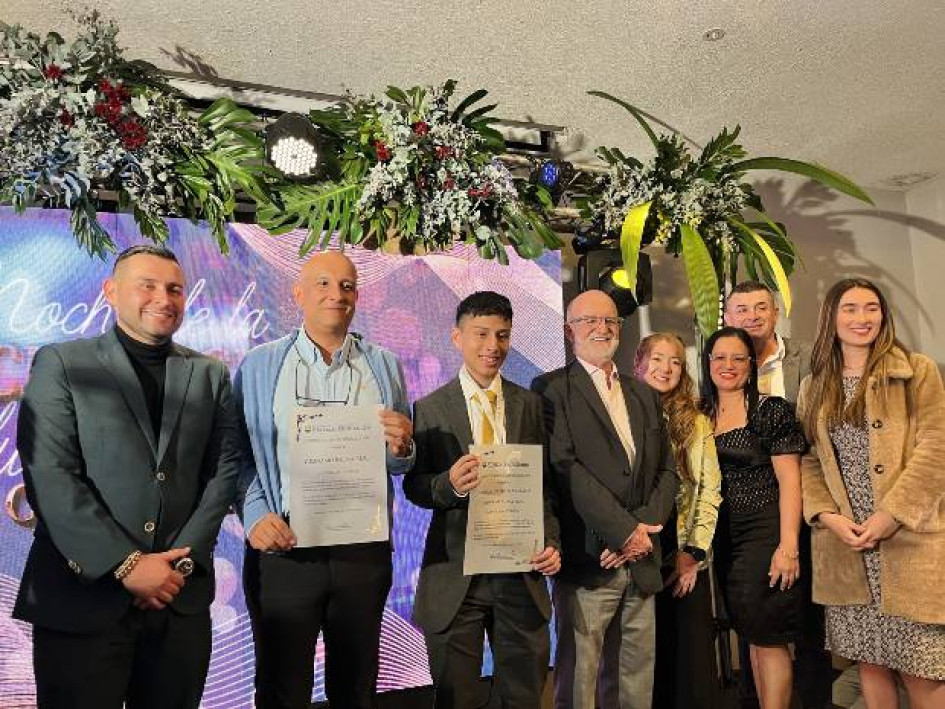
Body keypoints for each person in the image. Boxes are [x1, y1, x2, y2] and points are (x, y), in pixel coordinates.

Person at [14, 244, 241, 709]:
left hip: (179, 602)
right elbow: (50, 472)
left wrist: (177, 566)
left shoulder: (210, 373)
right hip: (83, 601)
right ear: (111, 292)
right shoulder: (61, 362)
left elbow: (223, 472)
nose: (164, 297)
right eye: (148, 285)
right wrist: (128, 565)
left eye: (175, 288)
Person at [233, 250, 415, 709]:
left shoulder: (385, 364)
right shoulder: (259, 365)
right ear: (297, 293)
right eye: (323, 284)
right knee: (282, 689)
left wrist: (404, 448)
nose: (337, 294)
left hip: (362, 552)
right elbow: (236, 453)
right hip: (286, 549)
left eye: (348, 286)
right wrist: (255, 515)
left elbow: (398, 463)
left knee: (356, 688)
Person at [404, 291, 561, 709]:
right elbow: (414, 487)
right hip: (458, 578)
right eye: (482, 334)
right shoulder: (430, 407)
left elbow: (544, 488)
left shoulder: (529, 404)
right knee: (456, 697)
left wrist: (552, 542)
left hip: (520, 572)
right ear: (457, 337)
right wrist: (449, 485)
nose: (493, 346)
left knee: (524, 696)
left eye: (503, 335)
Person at [797, 278, 945, 709]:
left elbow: (937, 450)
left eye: (871, 308)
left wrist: (891, 515)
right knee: (871, 667)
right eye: (850, 308)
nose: (862, 318)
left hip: (908, 541)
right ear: (832, 317)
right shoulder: (814, 386)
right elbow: (808, 461)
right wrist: (827, 517)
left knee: (924, 669)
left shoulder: (917, 371)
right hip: (848, 547)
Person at [531, 290, 676, 709]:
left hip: (642, 560)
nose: (602, 328)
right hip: (588, 561)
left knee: (635, 680)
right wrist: (623, 531)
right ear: (568, 331)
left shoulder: (643, 394)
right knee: (580, 681)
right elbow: (565, 469)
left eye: (610, 320)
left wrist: (641, 533)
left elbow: (666, 470)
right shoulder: (552, 389)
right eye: (590, 320)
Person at [724, 281, 831, 709]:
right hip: (749, 517)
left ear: (775, 313)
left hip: (807, 502)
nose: (752, 316)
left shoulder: (808, 357)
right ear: (728, 319)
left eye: (761, 307)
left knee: (808, 625)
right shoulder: (723, 367)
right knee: (757, 625)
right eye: (742, 309)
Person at [701, 326, 807, 709]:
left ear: (751, 364)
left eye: (738, 358)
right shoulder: (701, 415)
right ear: (708, 363)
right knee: (750, 635)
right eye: (720, 358)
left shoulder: (770, 409)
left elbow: (791, 481)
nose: (728, 366)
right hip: (725, 539)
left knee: (769, 638)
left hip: (765, 534)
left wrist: (789, 546)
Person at [632, 333, 722, 709]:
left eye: (674, 362)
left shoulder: (696, 422)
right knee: (644, 664)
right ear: (638, 364)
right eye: (656, 359)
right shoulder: (620, 413)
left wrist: (693, 554)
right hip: (636, 553)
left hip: (682, 552)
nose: (665, 369)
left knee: (690, 664)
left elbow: (709, 492)